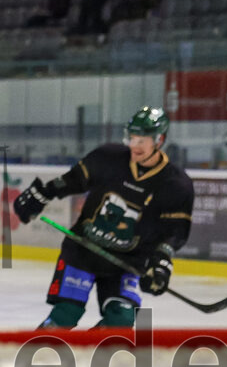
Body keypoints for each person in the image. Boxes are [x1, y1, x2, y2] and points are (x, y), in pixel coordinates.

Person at [13, 105, 194, 328]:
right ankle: (33, 356)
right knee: (66, 314)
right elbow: (72, 180)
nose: (134, 146)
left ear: (159, 140)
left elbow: (174, 231)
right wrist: (42, 194)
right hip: (83, 252)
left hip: (127, 262)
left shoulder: (175, 184)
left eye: (142, 140)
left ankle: (87, 359)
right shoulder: (109, 157)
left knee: (120, 321)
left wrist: (161, 262)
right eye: (132, 137)